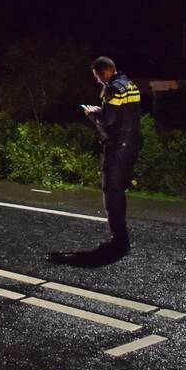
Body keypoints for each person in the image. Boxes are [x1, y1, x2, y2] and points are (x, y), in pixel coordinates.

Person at [50, 56, 141, 264]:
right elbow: (121, 114)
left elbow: (108, 120)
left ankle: (120, 241)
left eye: (97, 76)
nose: (98, 80)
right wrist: (103, 110)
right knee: (119, 192)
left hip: (117, 147)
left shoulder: (112, 89)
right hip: (131, 144)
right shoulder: (130, 85)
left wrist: (92, 114)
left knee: (111, 194)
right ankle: (121, 239)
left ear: (104, 72)